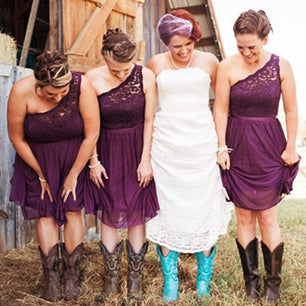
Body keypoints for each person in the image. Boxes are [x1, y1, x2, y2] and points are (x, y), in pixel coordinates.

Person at [145, 10, 233, 302]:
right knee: (167, 209)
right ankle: (170, 280)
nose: (182, 52)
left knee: (201, 206)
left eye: (188, 45)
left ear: (195, 40)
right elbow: (148, 112)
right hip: (167, 145)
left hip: (200, 143)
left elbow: (222, 104)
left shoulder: (210, 61)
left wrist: (222, 145)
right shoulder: (155, 64)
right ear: (166, 45)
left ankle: (203, 280)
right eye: (175, 47)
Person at [213, 10, 300, 302]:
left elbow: (290, 110)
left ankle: (272, 285)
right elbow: (221, 110)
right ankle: (251, 284)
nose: (247, 52)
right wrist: (221, 147)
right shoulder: (226, 67)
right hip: (238, 147)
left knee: (268, 216)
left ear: (265, 38)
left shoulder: (281, 67)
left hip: (270, 146)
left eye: (253, 46)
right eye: (241, 47)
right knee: (244, 216)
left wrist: (291, 146)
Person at [7, 51, 100, 301]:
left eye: (62, 91)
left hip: (74, 158)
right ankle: (52, 279)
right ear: (38, 84)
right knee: (45, 213)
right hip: (36, 161)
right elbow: (16, 137)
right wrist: (41, 174)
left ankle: (72, 276)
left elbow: (91, 134)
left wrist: (73, 175)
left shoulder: (82, 86)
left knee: (72, 210)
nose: (58, 97)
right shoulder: (20, 91)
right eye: (51, 94)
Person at [85, 28, 159, 299]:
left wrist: (145, 159)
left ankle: (135, 280)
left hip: (136, 148)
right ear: (105, 58)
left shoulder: (147, 76)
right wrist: (94, 161)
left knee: (137, 212)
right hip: (106, 149)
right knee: (109, 211)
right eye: (115, 70)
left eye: (126, 68)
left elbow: (150, 120)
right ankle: (112, 278)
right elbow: (89, 124)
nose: (122, 74)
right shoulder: (91, 79)